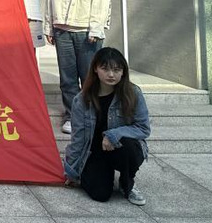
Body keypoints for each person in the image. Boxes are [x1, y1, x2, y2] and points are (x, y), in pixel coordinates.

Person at [44, 0, 111, 134]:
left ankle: (92, 115)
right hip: (62, 31)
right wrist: (49, 26)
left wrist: (96, 29)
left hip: (86, 31)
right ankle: (72, 115)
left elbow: (101, 1)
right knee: (67, 78)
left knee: (89, 76)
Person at [64, 47, 149, 206]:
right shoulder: (81, 100)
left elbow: (143, 128)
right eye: (105, 69)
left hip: (121, 147)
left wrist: (113, 134)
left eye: (117, 70)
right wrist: (72, 171)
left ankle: (127, 182)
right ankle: (99, 173)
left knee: (129, 147)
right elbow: (78, 139)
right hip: (96, 151)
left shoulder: (133, 93)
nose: (111, 75)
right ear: (95, 69)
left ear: (123, 72)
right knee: (100, 194)